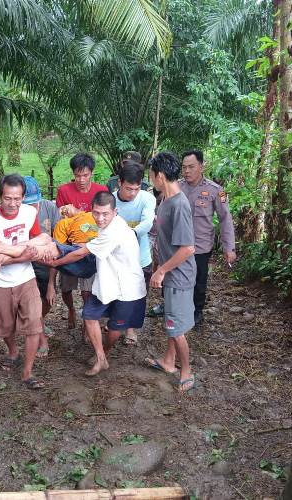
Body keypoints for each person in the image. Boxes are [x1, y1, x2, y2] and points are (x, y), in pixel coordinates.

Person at [43, 192, 147, 377]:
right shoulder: (107, 224)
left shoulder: (114, 231)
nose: (100, 218)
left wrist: (55, 264)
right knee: (90, 316)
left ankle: (104, 354)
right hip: (108, 281)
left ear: (115, 212)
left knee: (115, 328)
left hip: (127, 288)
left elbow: (80, 253)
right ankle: (101, 358)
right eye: (96, 213)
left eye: (105, 214)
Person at [0, 174, 45, 389]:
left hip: (26, 278)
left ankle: (27, 372)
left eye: (17, 199)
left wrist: (3, 257)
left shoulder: (29, 213)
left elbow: (36, 247)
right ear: (0, 196)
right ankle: (13, 351)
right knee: (5, 326)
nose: (13, 204)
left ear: (23, 197)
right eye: (8, 198)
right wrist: (17, 254)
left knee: (34, 324)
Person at [146, 152, 197, 393]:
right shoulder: (165, 200)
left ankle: (186, 371)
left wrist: (162, 271)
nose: (150, 178)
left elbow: (188, 248)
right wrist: (159, 266)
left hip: (179, 275)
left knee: (176, 329)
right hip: (170, 273)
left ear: (161, 175)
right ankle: (168, 361)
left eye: (151, 174)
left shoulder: (179, 204)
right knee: (172, 321)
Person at [179, 150, 236, 324]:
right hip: (178, 244)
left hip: (200, 246)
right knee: (176, 278)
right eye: (184, 167)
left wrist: (229, 247)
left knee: (198, 280)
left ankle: (197, 311)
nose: (187, 171)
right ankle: (175, 308)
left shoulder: (217, 191)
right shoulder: (177, 187)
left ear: (202, 167)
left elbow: (226, 219)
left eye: (191, 167)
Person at [55, 153, 108, 329]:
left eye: (85, 175)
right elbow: (61, 219)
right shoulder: (64, 191)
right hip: (69, 247)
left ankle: (87, 319)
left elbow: (105, 220)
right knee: (66, 288)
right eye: (77, 175)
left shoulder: (101, 192)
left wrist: (78, 213)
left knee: (88, 290)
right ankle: (71, 309)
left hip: (92, 248)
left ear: (92, 173)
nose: (81, 179)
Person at [113, 162, 156, 345]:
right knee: (116, 291)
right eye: (128, 188)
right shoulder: (110, 200)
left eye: (136, 189)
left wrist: (129, 234)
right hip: (116, 258)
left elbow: (147, 223)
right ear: (119, 183)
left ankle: (130, 329)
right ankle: (115, 322)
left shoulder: (147, 199)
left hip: (141, 258)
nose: (132, 193)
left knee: (138, 294)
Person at [22, 176, 60, 357]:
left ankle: (38, 324)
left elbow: (58, 244)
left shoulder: (50, 209)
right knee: (33, 303)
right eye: (26, 205)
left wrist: (52, 284)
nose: (31, 209)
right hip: (24, 264)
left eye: (33, 204)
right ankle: (41, 338)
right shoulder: (16, 213)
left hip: (48, 263)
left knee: (48, 300)